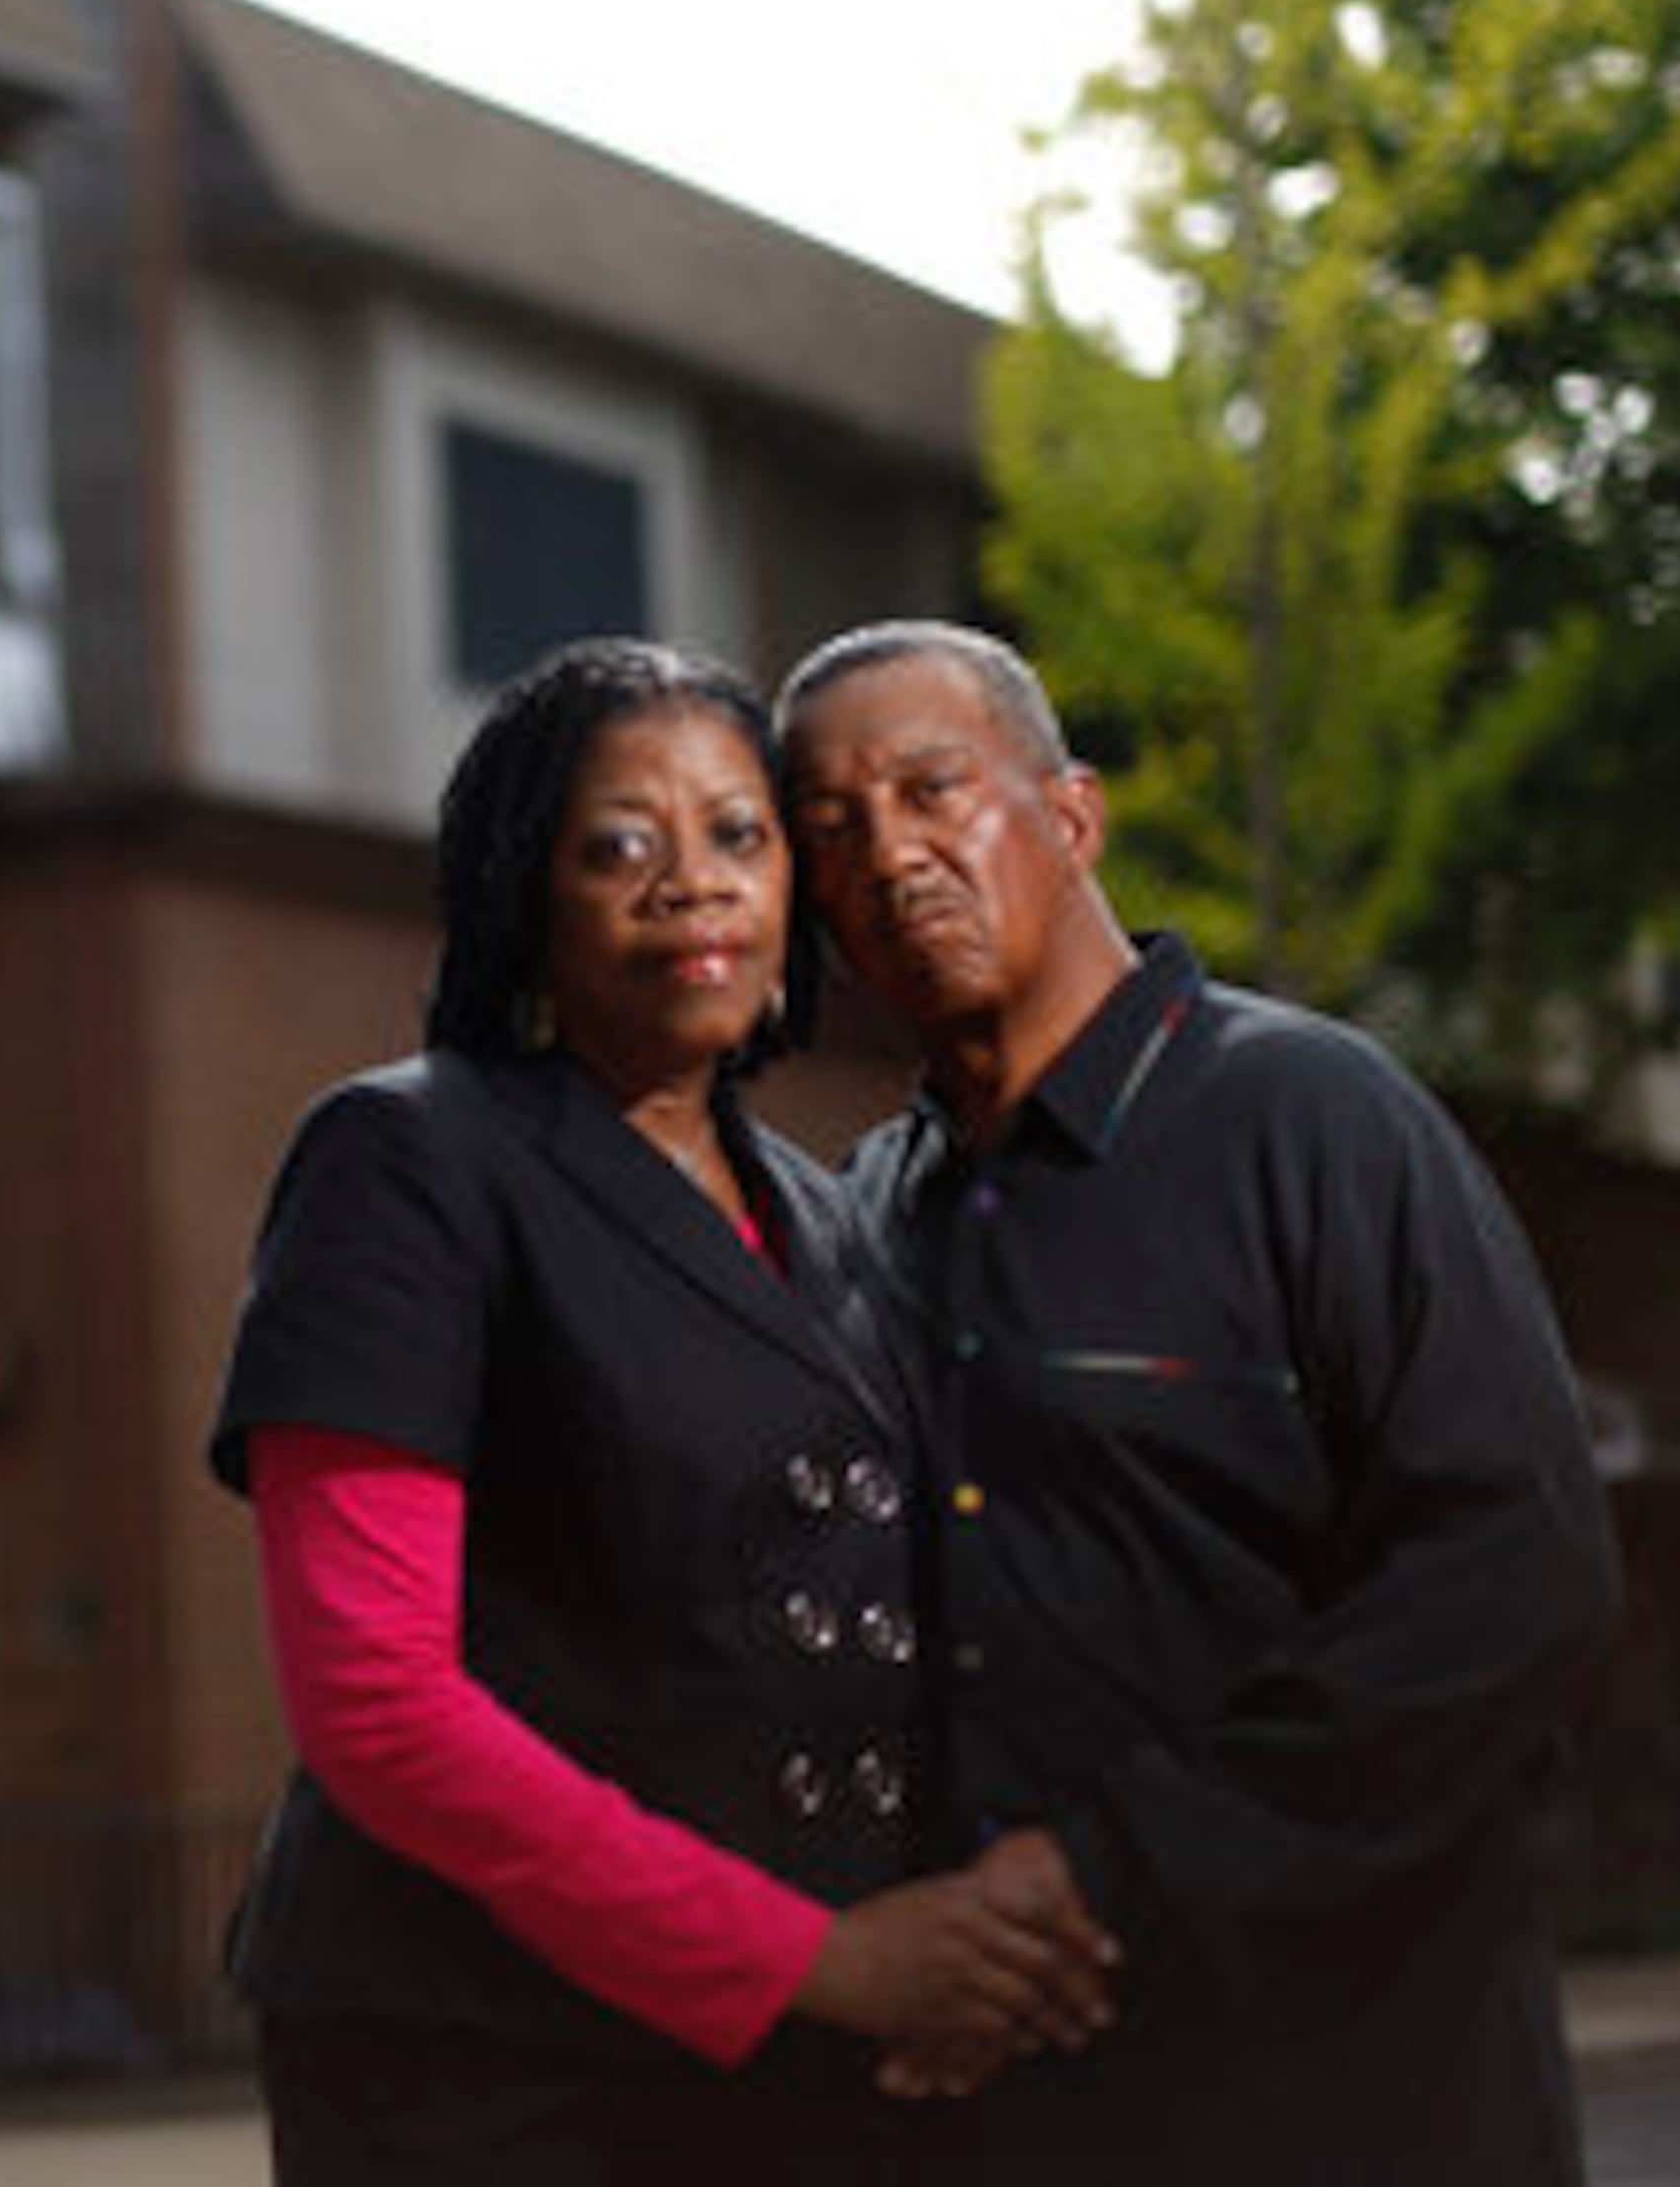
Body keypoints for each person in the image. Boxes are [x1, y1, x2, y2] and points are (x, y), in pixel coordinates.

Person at [208, 636, 1118, 2182]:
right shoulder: (408, 1158)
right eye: (619, 845)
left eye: (739, 836)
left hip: (800, 2065)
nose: (691, 881)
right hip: (490, 2059)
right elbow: (378, 1705)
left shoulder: (830, 1213)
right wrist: (811, 1959)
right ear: (524, 894)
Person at [772, 618, 1622, 2180]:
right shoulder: (854, 1222)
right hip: (1010, 2111)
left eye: (933, 789)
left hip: (1354, 2086)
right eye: (832, 829)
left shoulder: (1318, 1120)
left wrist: (1103, 1874)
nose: (892, 855)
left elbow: (1515, 1575)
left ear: (1073, 814)